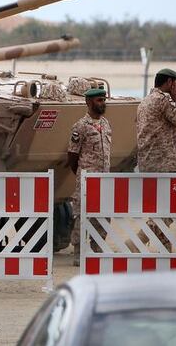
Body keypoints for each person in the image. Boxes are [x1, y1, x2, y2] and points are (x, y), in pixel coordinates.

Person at [136, 68, 176, 251]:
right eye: (175, 84)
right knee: (173, 206)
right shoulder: (164, 100)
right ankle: (138, 240)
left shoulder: (145, 101)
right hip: (164, 163)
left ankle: (165, 248)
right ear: (169, 83)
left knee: (162, 208)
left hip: (148, 163)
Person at [67, 88, 112, 266]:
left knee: (103, 214)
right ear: (88, 102)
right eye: (99, 100)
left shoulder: (106, 124)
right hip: (86, 178)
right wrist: (82, 173)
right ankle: (78, 252)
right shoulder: (80, 126)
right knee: (82, 214)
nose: (103, 103)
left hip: (104, 178)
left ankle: (97, 249)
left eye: (103, 100)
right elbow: (72, 156)